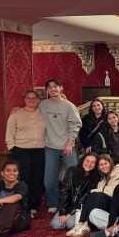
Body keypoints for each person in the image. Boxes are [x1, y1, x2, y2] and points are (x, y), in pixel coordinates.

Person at [39, 79, 82, 213]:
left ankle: (74, 201)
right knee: (49, 178)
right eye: (49, 87)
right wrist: (17, 109)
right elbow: (30, 110)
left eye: (55, 86)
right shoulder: (43, 105)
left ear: (61, 88)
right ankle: (53, 203)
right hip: (50, 146)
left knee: (74, 175)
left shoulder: (69, 106)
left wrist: (69, 144)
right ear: (47, 90)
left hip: (67, 146)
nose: (52, 89)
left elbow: (75, 125)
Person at [6, 89, 46, 217]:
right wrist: (12, 148)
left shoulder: (43, 113)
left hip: (39, 150)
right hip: (21, 150)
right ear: (24, 100)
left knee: (37, 178)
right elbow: (9, 133)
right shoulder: (16, 114)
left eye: (34, 98)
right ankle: (24, 205)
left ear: (37, 100)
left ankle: (33, 205)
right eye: (28, 98)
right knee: (25, 178)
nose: (31, 100)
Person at [67, 154, 119, 237]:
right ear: (98, 167)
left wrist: (96, 191)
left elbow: (115, 191)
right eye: (101, 165)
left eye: (106, 163)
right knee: (94, 195)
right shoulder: (102, 177)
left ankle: (86, 224)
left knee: (97, 195)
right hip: (105, 204)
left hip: (116, 204)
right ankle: (80, 223)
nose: (103, 166)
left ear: (110, 163)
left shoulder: (118, 171)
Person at [51, 153, 100, 231]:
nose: (89, 164)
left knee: (71, 224)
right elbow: (64, 192)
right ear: (82, 161)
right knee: (56, 225)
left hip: (81, 207)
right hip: (68, 204)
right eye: (87, 161)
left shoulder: (96, 177)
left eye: (92, 162)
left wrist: (70, 213)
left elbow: (83, 198)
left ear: (95, 166)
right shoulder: (72, 170)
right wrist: (63, 212)